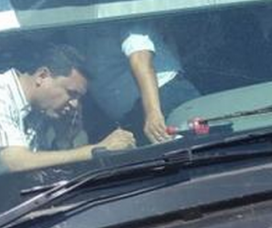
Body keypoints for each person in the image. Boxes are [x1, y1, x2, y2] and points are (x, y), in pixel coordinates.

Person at [0, 44, 135, 173]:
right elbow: (13, 163)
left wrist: (63, 139)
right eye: (71, 93)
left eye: (78, 97)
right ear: (42, 76)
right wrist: (97, 150)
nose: (74, 104)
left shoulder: (37, 107)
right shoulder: (3, 96)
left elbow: (36, 171)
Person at [80, 25, 200, 145]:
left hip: (162, 102)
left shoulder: (120, 15)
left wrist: (153, 113)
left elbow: (140, 57)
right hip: (136, 115)